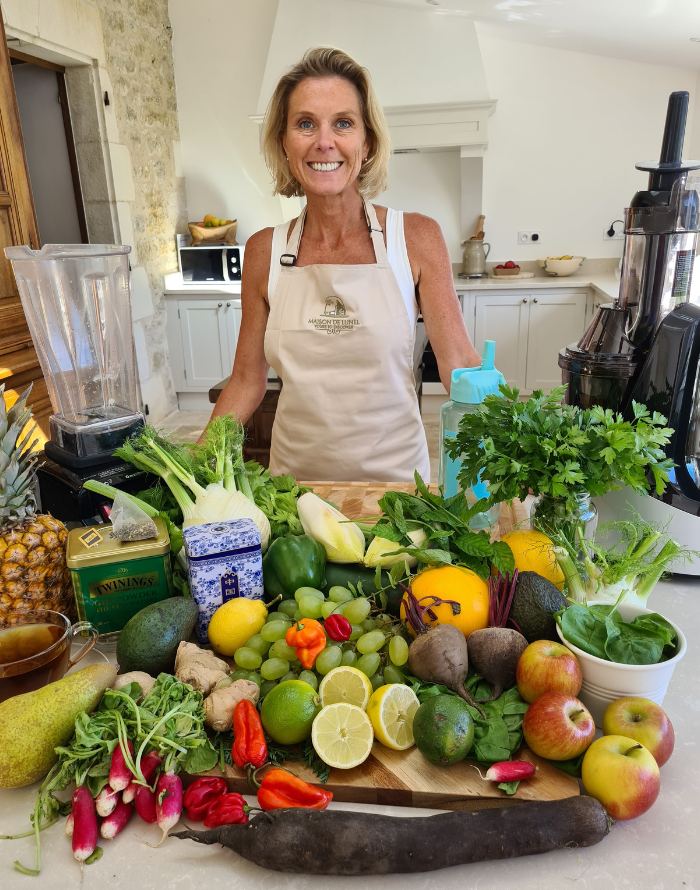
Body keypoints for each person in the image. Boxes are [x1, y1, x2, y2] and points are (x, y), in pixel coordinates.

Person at [207, 47, 480, 482]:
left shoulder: (416, 238)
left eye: (343, 123)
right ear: (284, 140)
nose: (324, 142)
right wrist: (193, 463)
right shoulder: (263, 251)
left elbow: (460, 364)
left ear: (366, 141)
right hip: (293, 497)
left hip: (397, 493)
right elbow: (245, 381)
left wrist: (515, 440)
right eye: (305, 124)